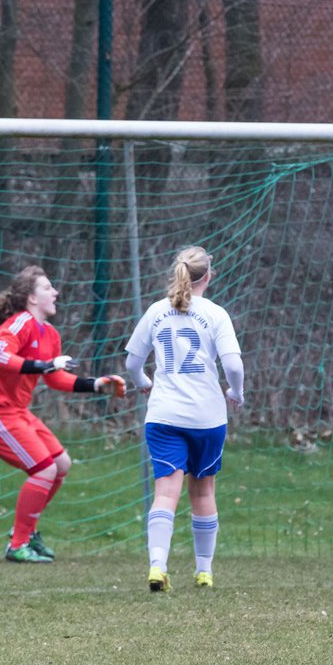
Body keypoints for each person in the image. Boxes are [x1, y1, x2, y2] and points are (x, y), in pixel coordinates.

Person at [0, 266, 127, 563]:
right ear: (31, 297)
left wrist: (96, 385)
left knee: (61, 464)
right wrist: (44, 365)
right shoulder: (19, 324)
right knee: (44, 469)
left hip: (15, 411)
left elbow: (55, 378)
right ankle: (17, 545)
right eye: (48, 287)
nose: (55, 292)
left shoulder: (49, 333)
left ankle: (26, 534)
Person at [125, 246, 244, 592]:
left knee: (165, 492)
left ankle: (157, 565)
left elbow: (133, 361)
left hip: (164, 415)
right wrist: (235, 392)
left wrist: (143, 383)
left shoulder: (156, 311)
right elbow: (234, 365)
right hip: (206, 417)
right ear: (208, 276)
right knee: (203, 492)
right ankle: (203, 571)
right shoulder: (215, 313)